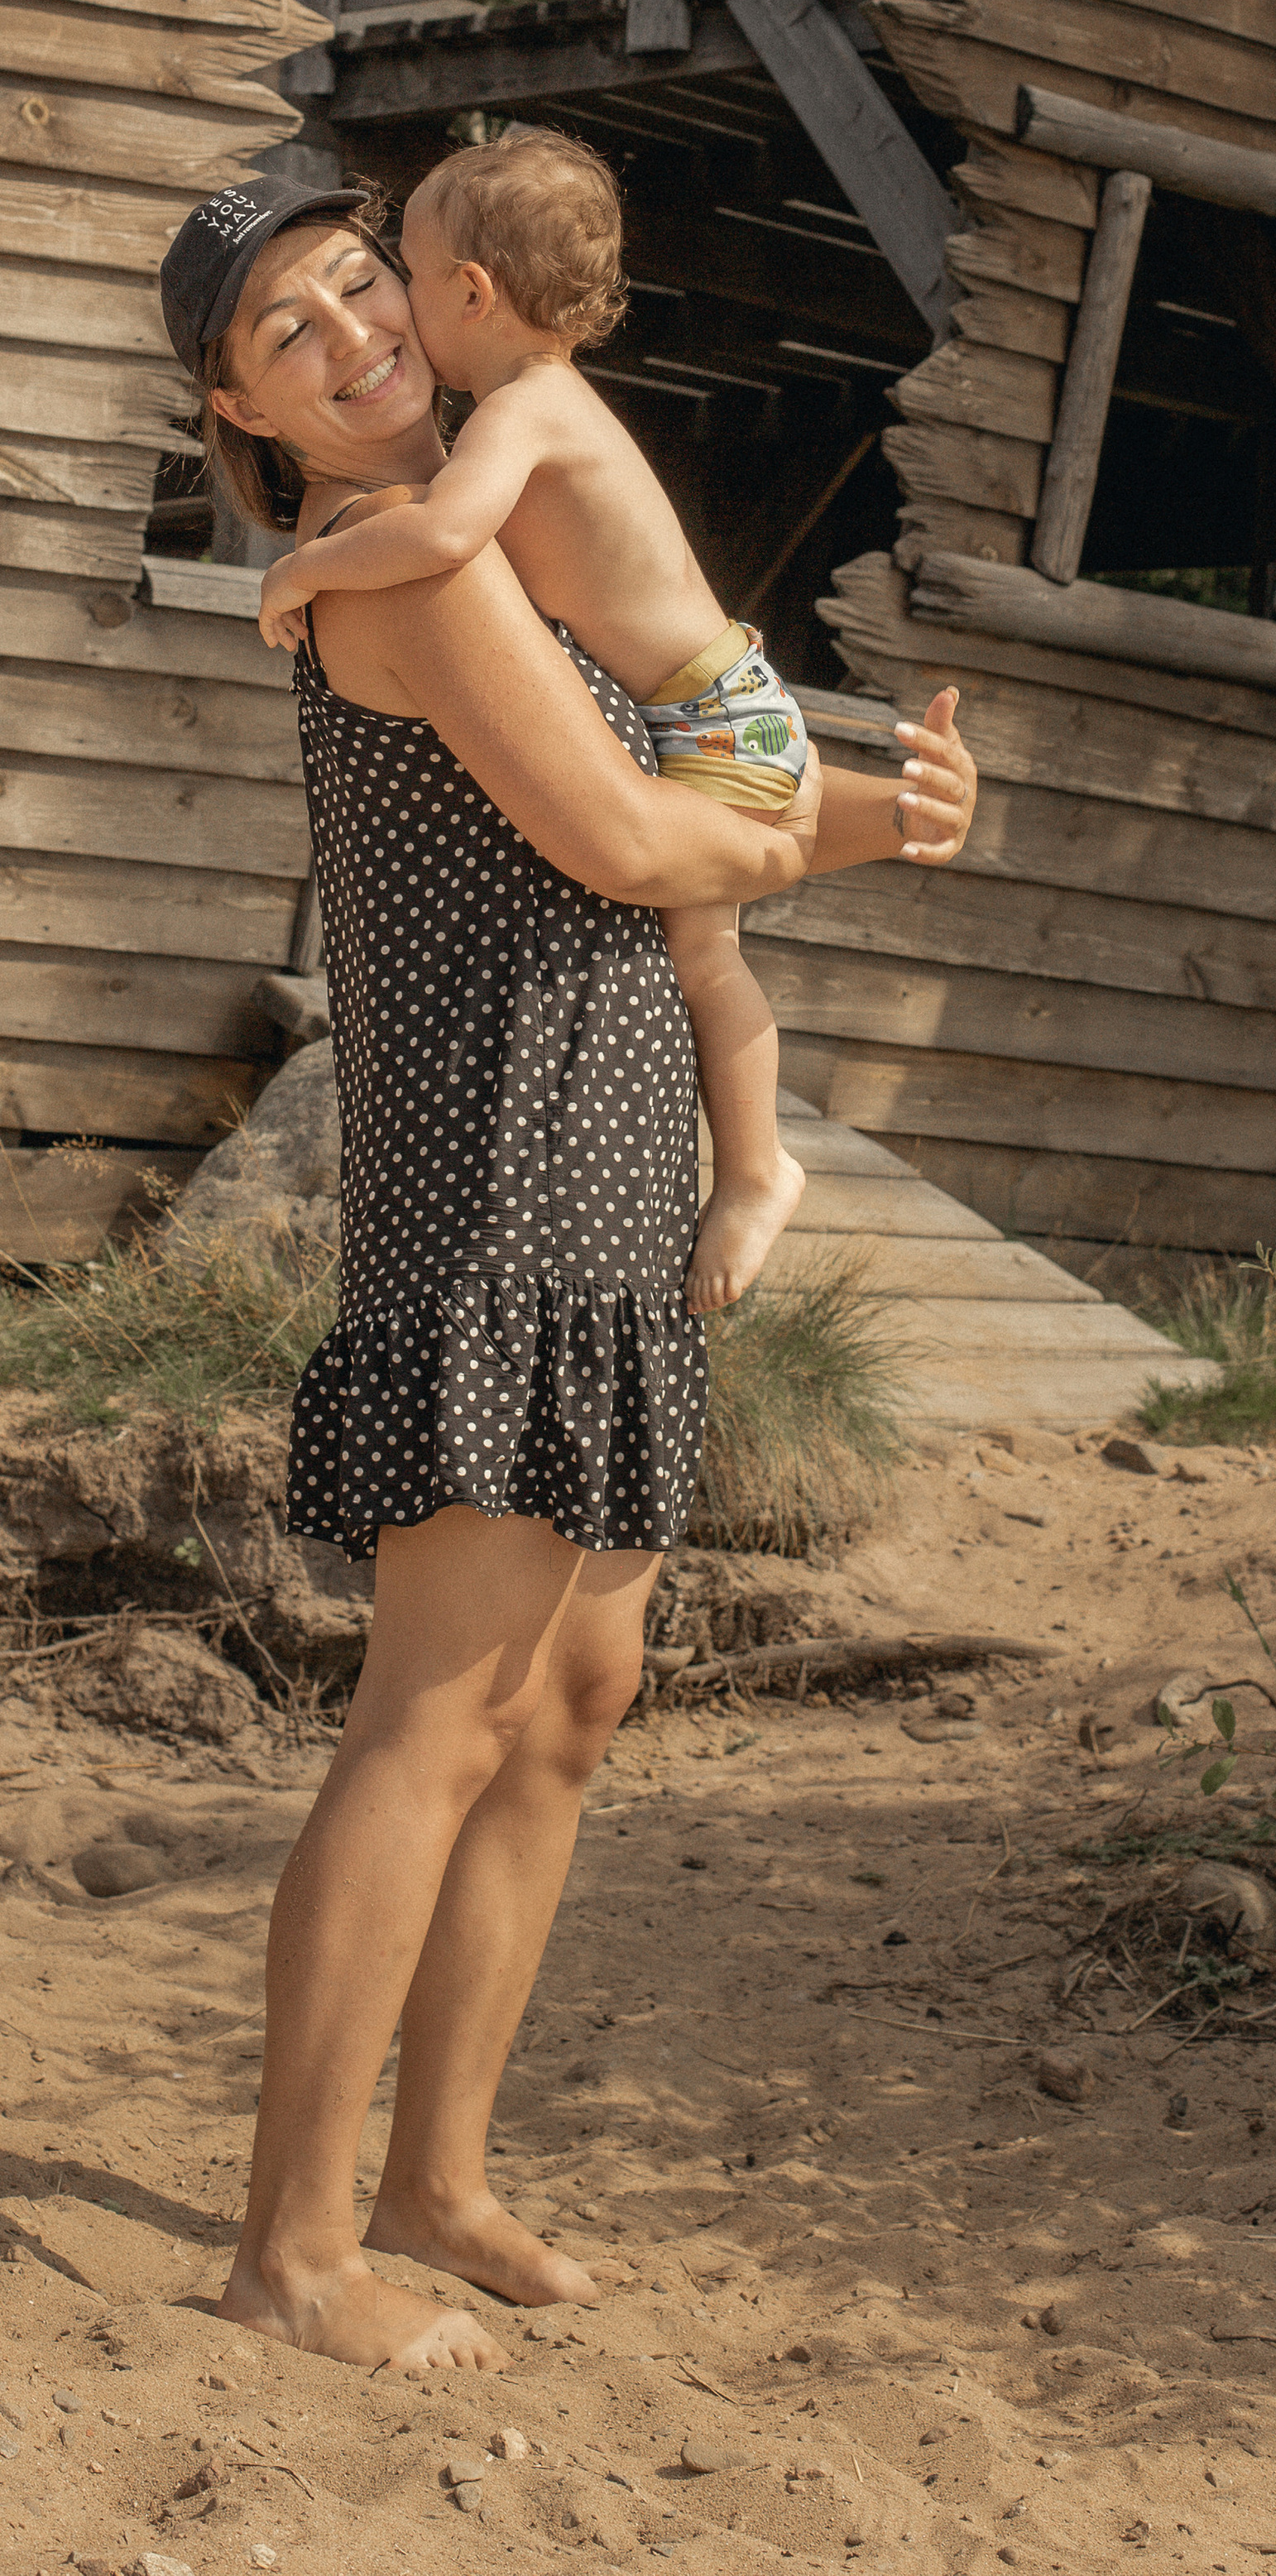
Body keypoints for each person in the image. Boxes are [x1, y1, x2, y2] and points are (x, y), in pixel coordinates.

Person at [157, 173, 976, 2374]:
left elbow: (680, 822)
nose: (348, 329)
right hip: (498, 1181)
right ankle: (294, 2246)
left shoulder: (492, 530)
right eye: (287, 329)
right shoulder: (401, 584)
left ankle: (440, 2177)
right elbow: (632, 848)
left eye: (358, 282)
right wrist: (790, 818)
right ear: (237, 409)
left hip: (610, 1182)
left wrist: (883, 819)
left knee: (569, 1707)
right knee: (436, 1712)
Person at [255, 129, 816, 1312]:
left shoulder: (522, 415)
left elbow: (444, 535)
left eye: (387, 274)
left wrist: (305, 572)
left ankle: (760, 1168)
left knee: (708, 954)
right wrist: (897, 815)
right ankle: (756, 1166)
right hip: (729, 712)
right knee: (708, 947)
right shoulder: (550, 404)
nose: (385, 312)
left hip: (716, 722)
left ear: (471, 292)